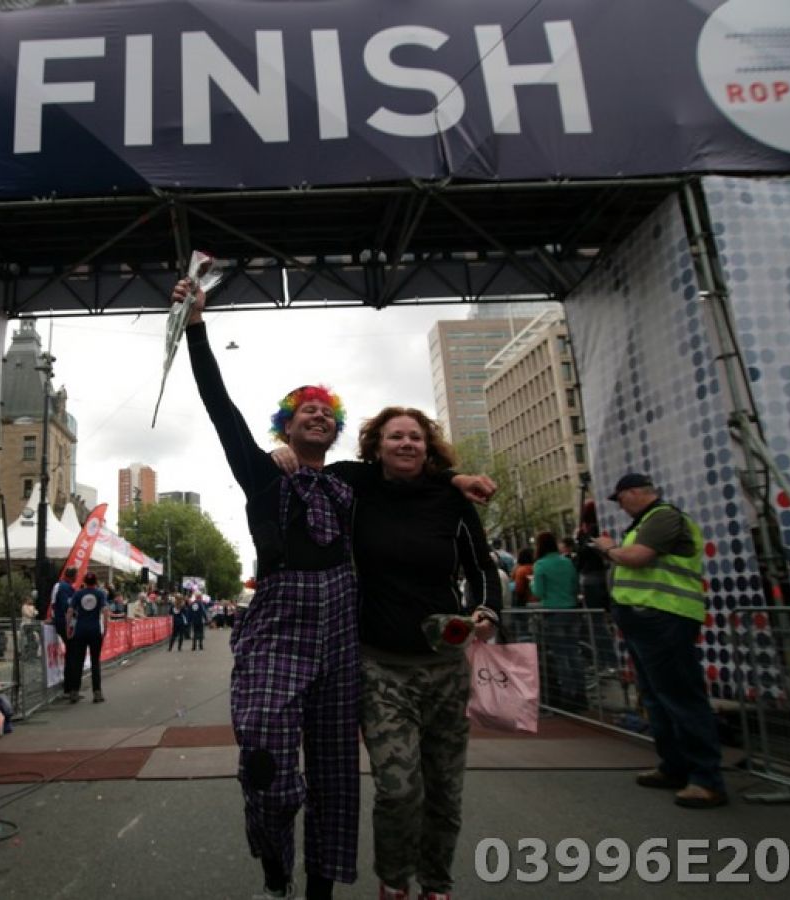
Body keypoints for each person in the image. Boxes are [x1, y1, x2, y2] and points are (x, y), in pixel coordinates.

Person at [176, 278, 494, 900]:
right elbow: (219, 405)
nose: (319, 416)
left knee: (335, 778)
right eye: (306, 412)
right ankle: (275, 862)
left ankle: (319, 889)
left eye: (327, 413)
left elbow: (409, 471)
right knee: (269, 770)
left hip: (342, 641)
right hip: (276, 636)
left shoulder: (354, 481)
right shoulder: (263, 473)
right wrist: (195, 326)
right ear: (286, 427)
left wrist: (456, 479)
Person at [280, 407, 501, 900]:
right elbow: (309, 463)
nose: (406, 444)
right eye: (395, 436)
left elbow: (481, 568)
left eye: (415, 437)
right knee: (399, 790)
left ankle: (436, 885)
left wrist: (487, 611)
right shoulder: (358, 486)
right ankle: (395, 881)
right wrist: (280, 453)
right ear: (376, 446)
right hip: (380, 667)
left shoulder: (451, 499)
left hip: (446, 668)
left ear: (428, 446)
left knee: (443, 790)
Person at [592, 473, 728, 809]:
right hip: (647, 620)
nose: (620, 506)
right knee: (656, 697)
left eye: (621, 498)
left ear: (634, 492)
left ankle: (706, 778)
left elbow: (637, 558)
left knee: (679, 696)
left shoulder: (663, 518)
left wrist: (609, 548)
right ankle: (675, 766)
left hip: (665, 617)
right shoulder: (644, 523)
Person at [531, 530, 583, 707]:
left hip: (553, 611)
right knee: (573, 652)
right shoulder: (567, 562)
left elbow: (538, 591)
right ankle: (580, 693)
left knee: (561, 656)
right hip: (572, 610)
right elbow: (575, 586)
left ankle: (568, 694)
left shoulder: (540, 565)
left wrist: (532, 583)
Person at [66, 572, 110, 703]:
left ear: (84, 582)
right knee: (95, 661)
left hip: (80, 630)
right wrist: (105, 627)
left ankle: (74, 691)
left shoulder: (78, 594)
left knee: (78, 661)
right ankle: (97, 693)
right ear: (95, 582)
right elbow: (105, 611)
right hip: (94, 630)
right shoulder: (100, 594)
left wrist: (68, 628)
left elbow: (70, 611)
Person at [52, 566, 84, 702]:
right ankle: (71, 689)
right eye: (76, 575)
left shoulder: (60, 586)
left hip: (62, 622)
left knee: (71, 654)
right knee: (73, 656)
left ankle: (69, 688)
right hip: (66, 624)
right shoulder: (65, 588)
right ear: (73, 576)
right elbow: (68, 606)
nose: (77, 578)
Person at [574, 500, 611, 610]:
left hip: (592, 577)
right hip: (604, 574)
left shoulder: (590, 533)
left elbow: (583, 554)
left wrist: (580, 539)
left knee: (596, 612)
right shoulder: (602, 528)